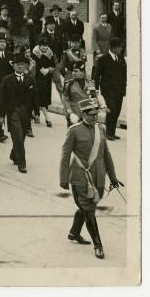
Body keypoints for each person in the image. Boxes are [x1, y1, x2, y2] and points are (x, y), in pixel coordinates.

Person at [59, 98, 123, 259]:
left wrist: (113, 177)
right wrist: (63, 178)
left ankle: (74, 232)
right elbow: (65, 156)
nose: (95, 117)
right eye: (91, 114)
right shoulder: (74, 131)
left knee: (85, 208)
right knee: (89, 211)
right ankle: (98, 245)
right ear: (83, 113)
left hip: (99, 179)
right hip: (80, 179)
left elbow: (106, 155)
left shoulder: (100, 129)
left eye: (96, 114)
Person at [0, 49, 39, 173]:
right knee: (18, 135)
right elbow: (2, 99)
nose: (20, 66)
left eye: (22, 64)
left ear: (25, 65)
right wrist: (0, 115)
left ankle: (14, 154)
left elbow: (35, 97)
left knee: (22, 136)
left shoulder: (30, 79)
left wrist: (37, 112)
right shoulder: (7, 80)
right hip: (13, 112)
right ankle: (22, 163)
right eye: (17, 64)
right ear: (13, 65)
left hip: (25, 112)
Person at [93, 37, 127, 141]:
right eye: (119, 47)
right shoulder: (103, 59)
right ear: (113, 48)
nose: (121, 49)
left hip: (119, 90)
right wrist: (96, 89)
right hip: (108, 90)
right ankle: (108, 133)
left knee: (117, 111)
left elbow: (124, 74)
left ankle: (112, 132)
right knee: (111, 110)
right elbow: (96, 75)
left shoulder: (121, 59)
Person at [61, 61, 106, 127]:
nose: (73, 73)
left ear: (83, 72)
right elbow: (65, 99)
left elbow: (93, 98)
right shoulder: (69, 84)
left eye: (76, 71)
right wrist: (70, 113)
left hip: (87, 116)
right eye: (73, 71)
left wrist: (101, 105)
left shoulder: (91, 83)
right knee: (73, 136)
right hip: (74, 117)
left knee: (87, 136)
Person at [31, 36, 56, 127]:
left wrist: (49, 70)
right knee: (40, 96)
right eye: (42, 46)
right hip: (37, 77)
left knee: (44, 96)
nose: (44, 47)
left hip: (47, 78)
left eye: (46, 45)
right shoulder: (35, 53)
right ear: (39, 45)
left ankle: (35, 114)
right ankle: (47, 119)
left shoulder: (50, 52)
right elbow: (34, 64)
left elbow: (53, 64)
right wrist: (42, 70)